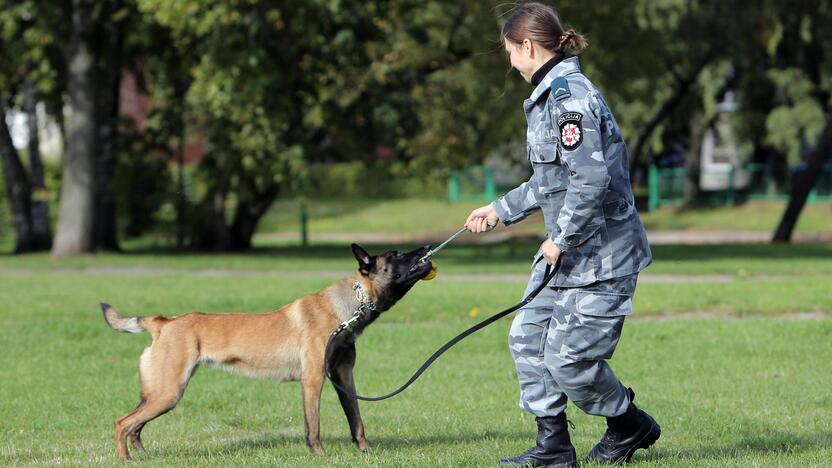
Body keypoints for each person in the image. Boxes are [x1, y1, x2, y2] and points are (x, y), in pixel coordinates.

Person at [463, 3, 660, 467]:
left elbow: (591, 182)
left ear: (528, 46)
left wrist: (561, 238)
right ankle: (553, 448)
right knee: (527, 337)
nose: (509, 60)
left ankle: (629, 423)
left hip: (601, 257)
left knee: (570, 361)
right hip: (568, 256)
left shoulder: (569, 98)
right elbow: (553, 181)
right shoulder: (548, 97)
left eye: (510, 51)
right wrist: (499, 210)